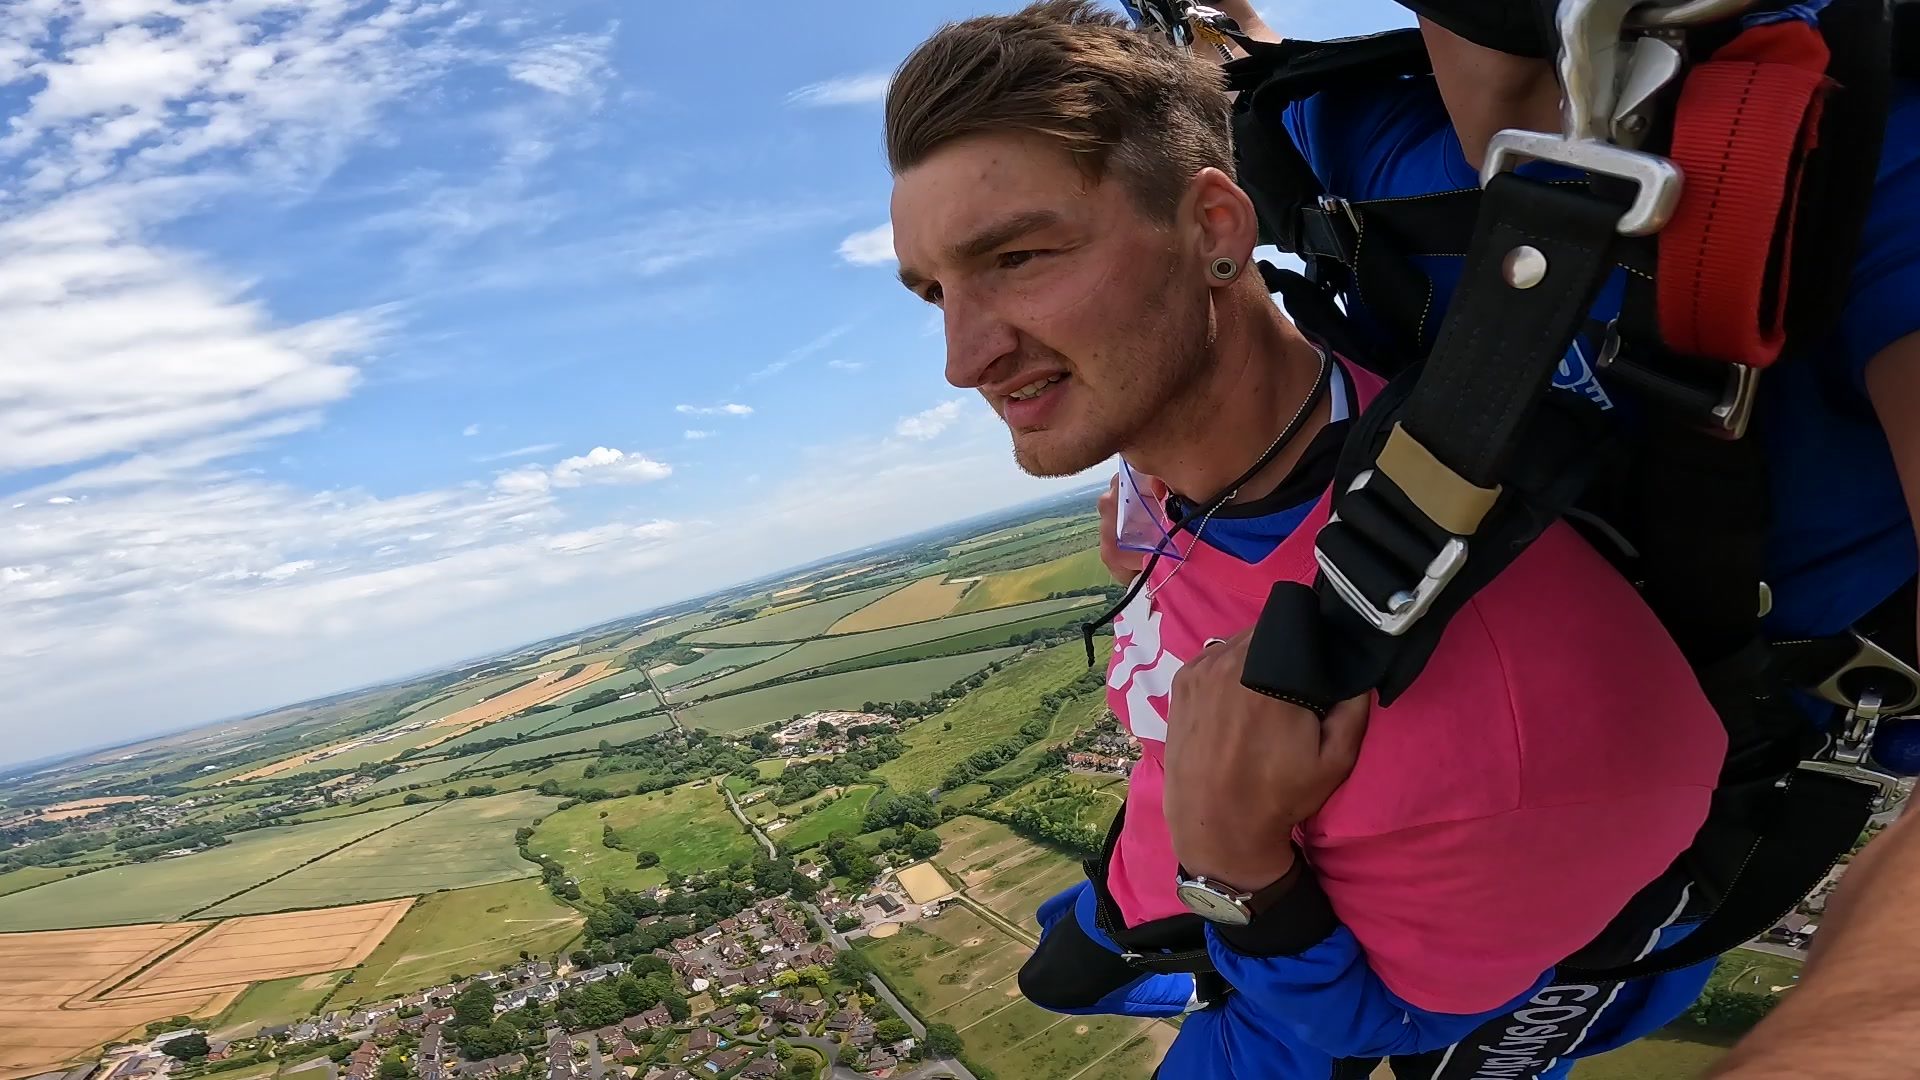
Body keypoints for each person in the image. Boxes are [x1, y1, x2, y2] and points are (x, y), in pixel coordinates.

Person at [883, 4, 1728, 1076]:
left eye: (1017, 257)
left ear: (1218, 232)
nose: (964, 358)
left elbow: (1385, 1031)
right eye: (935, 291)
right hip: (1160, 869)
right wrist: (1160, 533)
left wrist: (1240, 872)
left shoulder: (1501, 738)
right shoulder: (1226, 421)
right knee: (1054, 970)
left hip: (1301, 970)